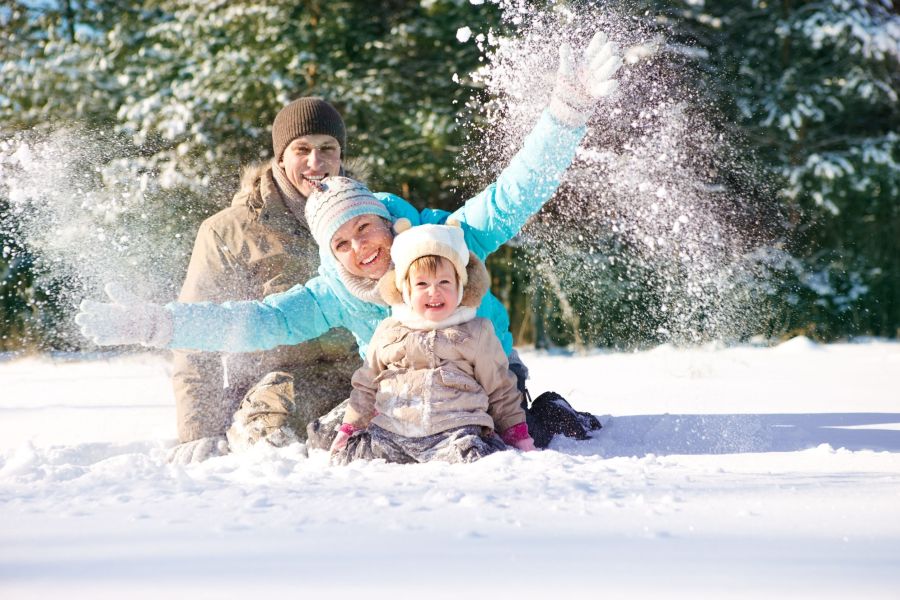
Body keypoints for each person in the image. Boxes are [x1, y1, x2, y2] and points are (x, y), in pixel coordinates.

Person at [76, 31, 622, 455]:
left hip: (485, 381)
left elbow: (515, 193)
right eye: (342, 243)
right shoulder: (332, 291)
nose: (360, 248)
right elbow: (252, 321)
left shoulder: (444, 239)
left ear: (385, 221)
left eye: (366, 229)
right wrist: (154, 324)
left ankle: (547, 412)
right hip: (404, 396)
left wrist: (566, 114)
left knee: (491, 437)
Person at [166, 97, 364, 464]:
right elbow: (196, 333)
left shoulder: (368, 218)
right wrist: (198, 430)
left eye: (328, 149)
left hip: (358, 379)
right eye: (301, 149)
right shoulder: (229, 232)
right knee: (274, 450)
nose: (315, 162)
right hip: (271, 389)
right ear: (280, 156)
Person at [331, 220, 536, 465]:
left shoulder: (476, 331)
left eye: (444, 283)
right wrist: (349, 427)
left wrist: (516, 432)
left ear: (460, 287)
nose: (433, 292)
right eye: (422, 284)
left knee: (478, 460)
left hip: (455, 431)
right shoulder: (388, 331)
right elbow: (366, 386)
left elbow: (499, 389)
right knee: (350, 458)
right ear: (405, 290)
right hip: (391, 433)